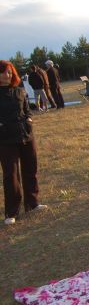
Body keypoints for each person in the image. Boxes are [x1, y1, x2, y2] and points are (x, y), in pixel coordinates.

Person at [0, 61, 48, 225]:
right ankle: (11, 212)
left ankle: (32, 203)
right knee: (11, 175)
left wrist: (29, 120)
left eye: (10, 72)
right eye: (4, 72)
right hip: (6, 140)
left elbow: (27, 109)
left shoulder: (19, 90)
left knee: (30, 169)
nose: (8, 75)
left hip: (26, 136)